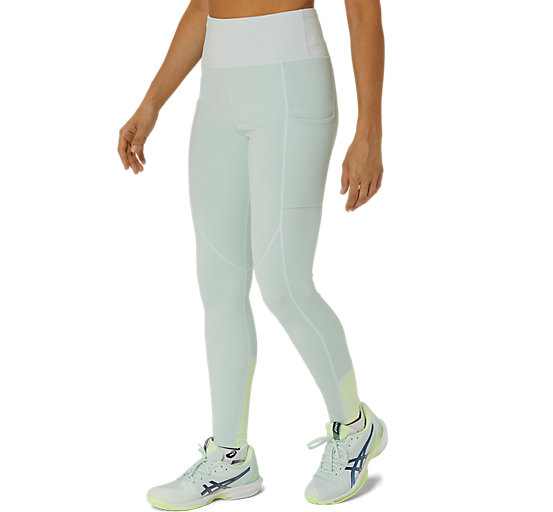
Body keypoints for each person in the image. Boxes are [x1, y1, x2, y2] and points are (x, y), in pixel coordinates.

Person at [117, 0, 386, 508]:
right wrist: (152, 102)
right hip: (219, 88)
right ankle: (230, 458)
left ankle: (355, 427)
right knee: (218, 285)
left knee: (284, 283)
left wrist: (369, 130)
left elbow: (362, 12)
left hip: (290, 79)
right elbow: (205, 5)